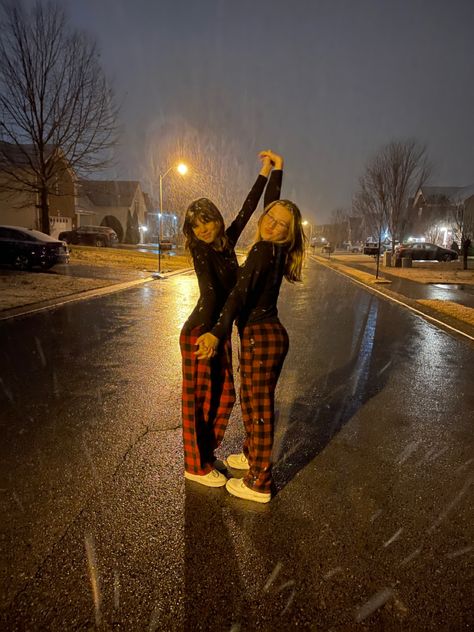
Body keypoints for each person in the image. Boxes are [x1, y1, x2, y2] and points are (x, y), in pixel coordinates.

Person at [180, 151, 284, 488]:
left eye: (207, 221)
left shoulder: (225, 243)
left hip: (217, 332)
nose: (204, 229)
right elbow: (210, 294)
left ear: (218, 219)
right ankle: (194, 466)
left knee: (223, 396)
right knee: (196, 399)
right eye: (196, 226)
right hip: (201, 331)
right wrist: (211, 334)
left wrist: (267, 171)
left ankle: (205, 455)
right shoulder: (201, 250)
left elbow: (252, 209)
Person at [196, 198, 306, 503]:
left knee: (259, 410)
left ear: (289, 233)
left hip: (261, 336)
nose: (271, 223)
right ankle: (251, 455)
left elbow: (239, 294)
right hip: (269, 335)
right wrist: (276, 168)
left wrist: (217, 332)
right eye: (269, 216)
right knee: (252, 402)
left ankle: (259, 481)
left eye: (281, 223)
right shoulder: (276, 250)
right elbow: (275, 207)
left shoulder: (262, 249)